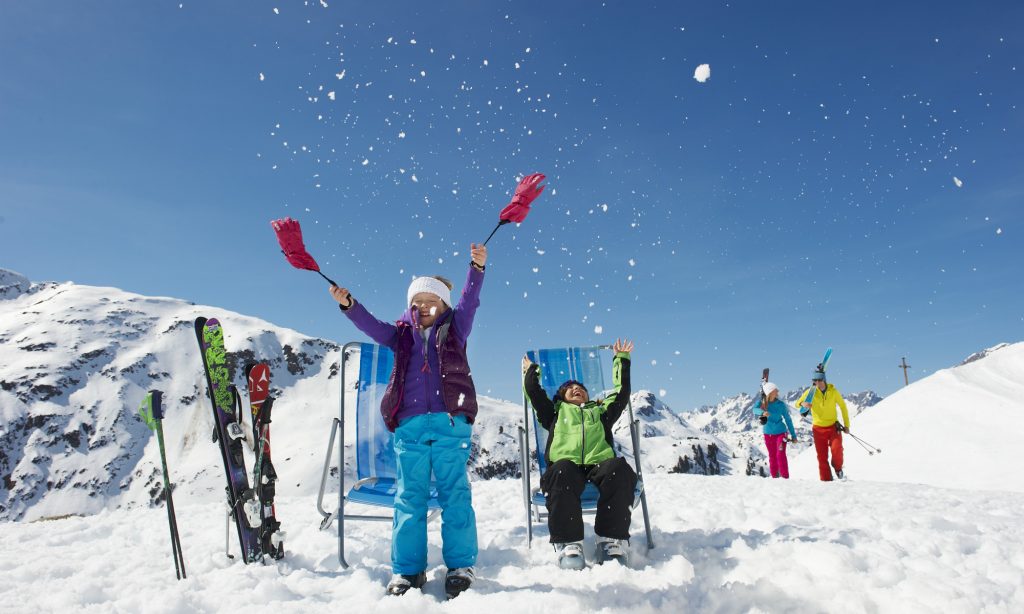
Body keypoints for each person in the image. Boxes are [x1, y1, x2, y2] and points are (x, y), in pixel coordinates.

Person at [328, 243, 486, 598]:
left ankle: (460, 564)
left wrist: (475, 271)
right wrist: (349, 305)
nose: (423, 307)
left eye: (431, 302)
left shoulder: (456, 330)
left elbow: (470, 303)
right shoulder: (400, 336)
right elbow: (370, 325)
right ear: (409, 307)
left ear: (444, 305)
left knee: (454, 494)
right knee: (409, 497)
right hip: (411, 425)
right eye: (417, 302)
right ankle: (408, 570)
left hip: (449, 422)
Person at [522, 339, 637, 569]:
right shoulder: (553, 414)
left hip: (599, 464)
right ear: (562, 397)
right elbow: (534, 394)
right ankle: (570, 544)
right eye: (570, 389)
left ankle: (609, 540)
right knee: (561, 472)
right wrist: (531, 371)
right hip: (567, 465)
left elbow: (622, 393)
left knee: (619, 469)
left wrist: (621, 361)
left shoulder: (601, 412)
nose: (577, 390)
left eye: (581, 389)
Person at [795, 369, 850, 481]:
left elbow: (843, 407)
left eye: (819, 380)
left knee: (837, 450)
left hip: (833, 427)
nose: (816, 383)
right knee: (822, 457)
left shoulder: (833, 392)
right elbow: (797, 403)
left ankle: (838, 468)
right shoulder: (810, 392)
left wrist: (847, 425)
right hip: (818, 429)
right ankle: (826, 481)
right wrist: (803, 403)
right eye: (814, 380)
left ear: (824, 380)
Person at [756, 382, 797, 479]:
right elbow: (754, 410)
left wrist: (793, 435)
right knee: (772, 456)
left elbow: (788, 420)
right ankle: (774, 478)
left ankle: (785, 478)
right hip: (768, 434)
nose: (778, 391)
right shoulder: (762, 404)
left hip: (781, 433)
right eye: (775, 390)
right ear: (770, 392)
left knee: (780, 454)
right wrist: (762, 412)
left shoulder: (781, 404)